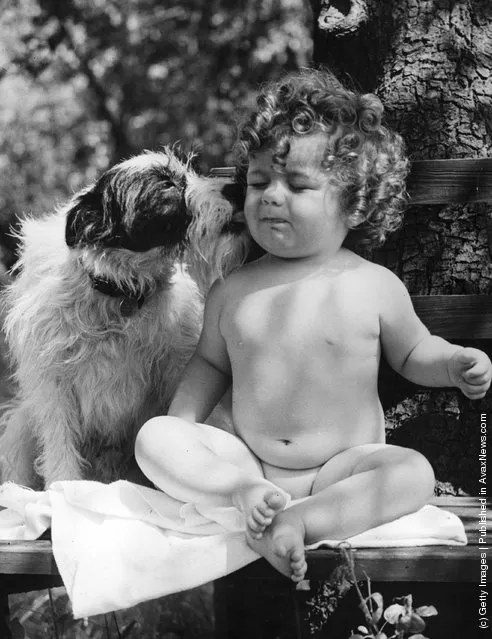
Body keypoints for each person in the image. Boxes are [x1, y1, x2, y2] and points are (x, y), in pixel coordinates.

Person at [135, 69, 492, 583]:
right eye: (258, 183)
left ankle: (299, 522)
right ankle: (245, 499)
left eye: (297, 185)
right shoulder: (233, 289)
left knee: (412, 472)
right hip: (249, 466)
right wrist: (182, 430)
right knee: (155, 437)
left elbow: (414, 353)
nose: (271, 196)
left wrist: (455, 364)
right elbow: (209, 362)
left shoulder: (373, 284)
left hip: (342, 469)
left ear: (355, 204)